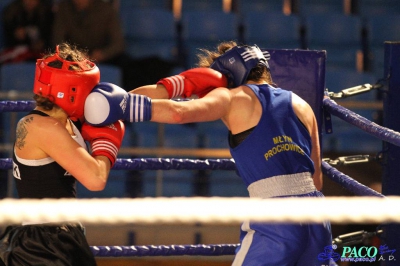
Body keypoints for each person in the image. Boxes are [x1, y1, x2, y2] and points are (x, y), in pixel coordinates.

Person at [84, 41, 335, 265]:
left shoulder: (231, 97)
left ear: (226, 75)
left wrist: (124, 106)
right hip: (316, 214)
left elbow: (177, 113)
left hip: (275, 218)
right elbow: (317, 180)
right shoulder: (302, 105)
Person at [0, 43, 125, 266]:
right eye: (87, 89)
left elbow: (128, 102)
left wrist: (179, 85)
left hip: (61, 236)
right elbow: (96, 179)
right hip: (42, 244)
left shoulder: (67, 120)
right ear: (72, 90)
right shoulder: (38, 126)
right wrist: (106, 143)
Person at [52, 0, 176, 90]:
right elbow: (58, 40)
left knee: (134, 69)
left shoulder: (106, 10)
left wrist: (102, 54)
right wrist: (75, 55)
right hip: (72, 59)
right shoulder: (64, 8)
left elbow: (118, 44)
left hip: (103, 57)